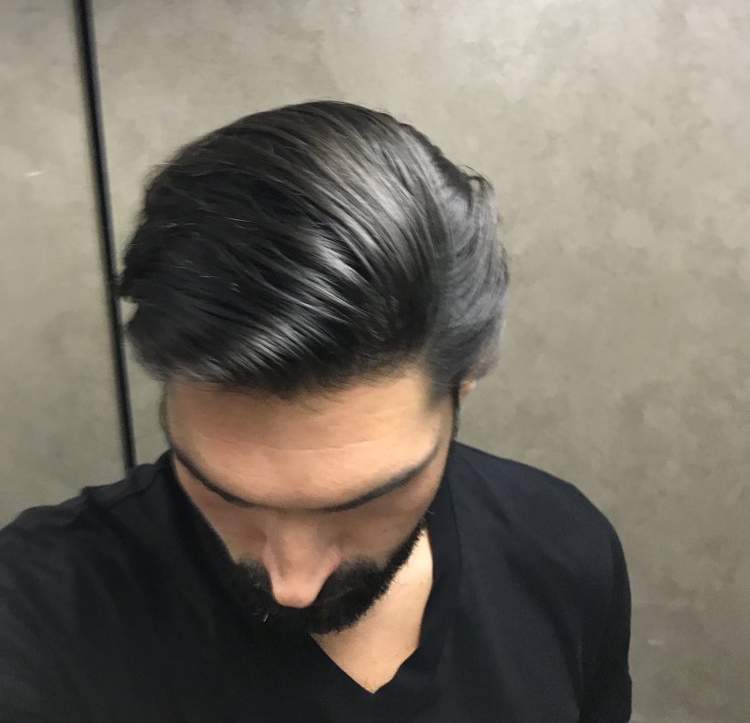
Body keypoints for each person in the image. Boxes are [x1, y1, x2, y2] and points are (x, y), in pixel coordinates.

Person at [0, 99, 632, 722]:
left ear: (463, 384)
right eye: (223, 493)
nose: (292, 585)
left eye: (366, 503)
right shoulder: (34, 612)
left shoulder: (561, 546)